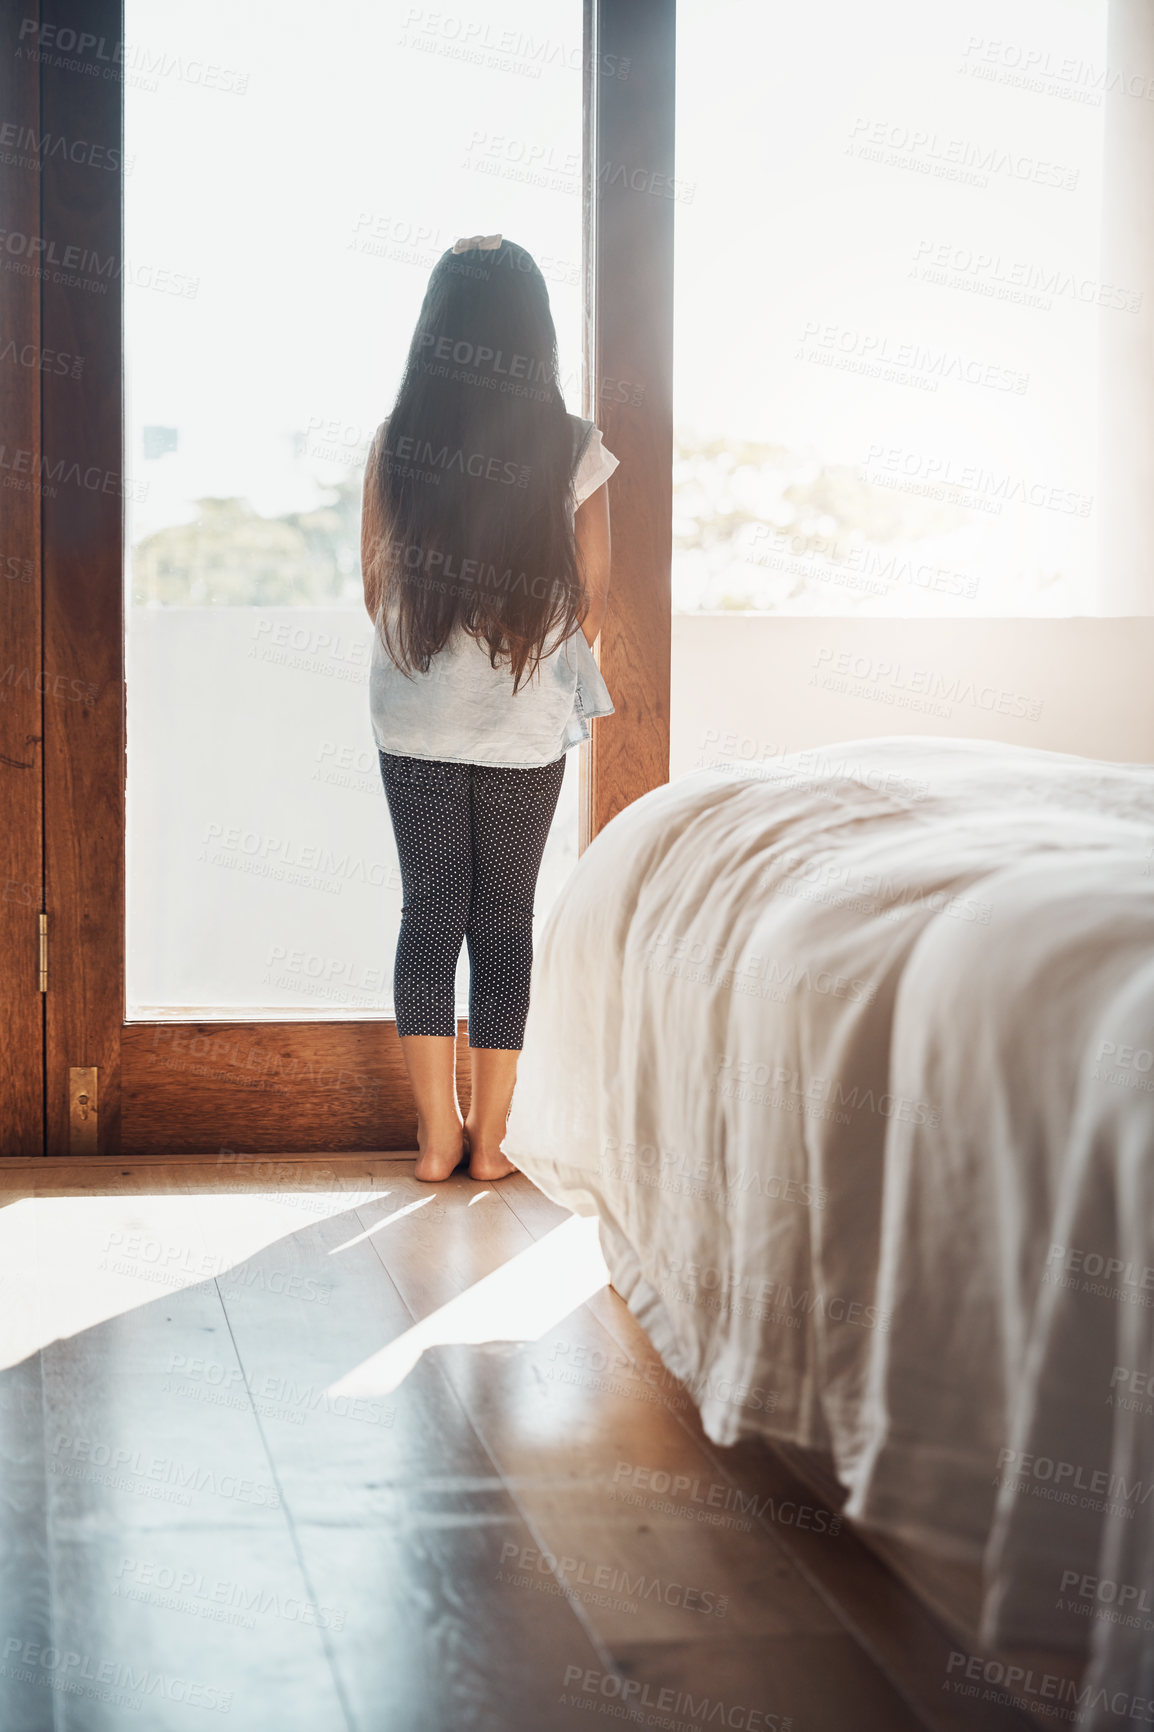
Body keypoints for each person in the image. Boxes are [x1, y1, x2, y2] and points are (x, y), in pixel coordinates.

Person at [360, 233, 619, 1183]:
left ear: (437, 328)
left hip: (417, 709)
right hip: (522, 713)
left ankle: (434, 1141)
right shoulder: (574, 446)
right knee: (504, 917)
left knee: (430, 911)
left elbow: (372, 586)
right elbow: (593, 592)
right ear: (534, 332)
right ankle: (492, 1146)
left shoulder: (397, 440)